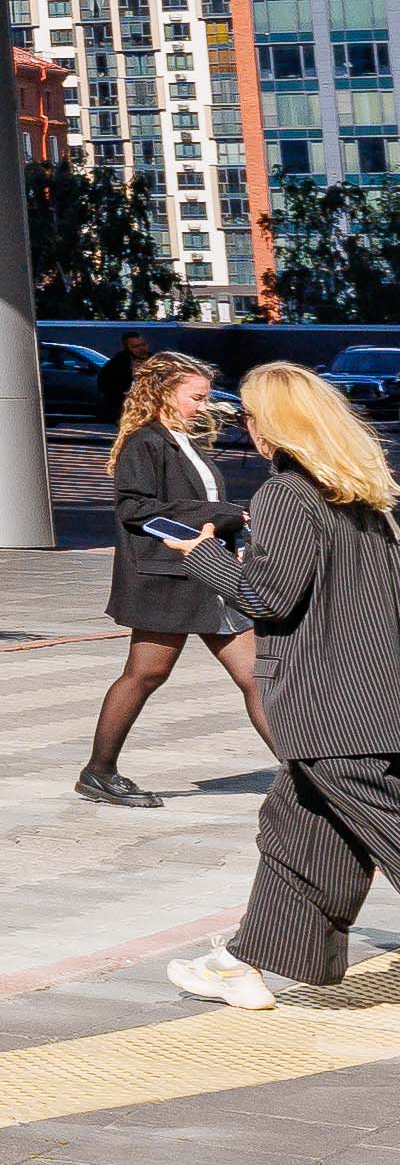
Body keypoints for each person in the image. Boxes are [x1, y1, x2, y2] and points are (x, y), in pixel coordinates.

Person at [160, 363, 400, 1010]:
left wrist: (202, 557)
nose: (247, 427)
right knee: (296, 833)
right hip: (373, 697)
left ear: (274, 424)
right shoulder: (365, 493)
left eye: (250, 416)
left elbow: (268, 596)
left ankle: (240, 964)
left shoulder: (288, 495)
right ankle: (241, 963)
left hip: (331, 708)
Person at [86, 347, 270, 807]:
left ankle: (307, 775)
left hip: (207, 575)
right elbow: (135, 509)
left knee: (256, 677)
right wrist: (224, 514)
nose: (204, 406)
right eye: (196, 397)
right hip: (165, 580)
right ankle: (99, 772)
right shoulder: (145, 442)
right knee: (145, 675)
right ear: (163, 393)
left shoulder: (184, 440)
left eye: (206, 397)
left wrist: (227, 522)